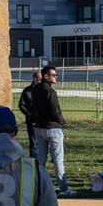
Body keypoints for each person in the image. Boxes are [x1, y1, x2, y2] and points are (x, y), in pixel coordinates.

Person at [31, 65, 73, 195]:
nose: (56, 77)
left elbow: (33, 107)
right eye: (53, 75)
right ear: (46, 76)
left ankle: (37, 188)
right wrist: (62, 121)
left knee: (40, 161)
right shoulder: (51, 92)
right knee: (58, 160)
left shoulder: (35, 90)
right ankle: (64, 188)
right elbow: (56, 111)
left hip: (39, 128)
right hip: (53, 128)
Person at [17, 71, 41, 157]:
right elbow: (21, 105)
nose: (40, 81)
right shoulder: (27, 91)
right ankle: (34, 161)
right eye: (39, 79)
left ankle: (42, 161)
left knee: (43, 143)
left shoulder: (44, 90)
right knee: (33, 143)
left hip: (44, 121)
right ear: (34, 79)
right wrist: (29, 114)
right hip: (32, 122)